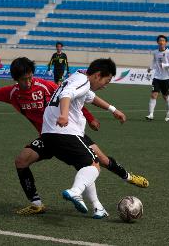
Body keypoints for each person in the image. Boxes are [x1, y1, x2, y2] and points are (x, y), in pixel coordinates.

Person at [0, 57, 148, 218]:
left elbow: (72, 98)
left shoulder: (45, 86)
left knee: (101, 160)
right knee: (21, 160)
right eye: (23, 79)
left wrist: (91, 117)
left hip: (68, 130)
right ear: (15, 79)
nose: (28, 82)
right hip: (48, 136)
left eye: (30, 77)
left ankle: (126, 178)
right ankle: (37, 204)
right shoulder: (12, 94)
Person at [40, 58, 126, 218]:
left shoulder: (78, 77)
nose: (105, 85)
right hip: (64, 132)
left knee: (86, 166)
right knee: (94, 166)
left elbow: (90, 97)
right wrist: (64, 115)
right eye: (106, 80)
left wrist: (113, 109)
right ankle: (75, 191)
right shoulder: (83, 81)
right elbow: (66, 94)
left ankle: (97, 207)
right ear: (98, 75)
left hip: (50, 133)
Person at [145, 35, 169, 122]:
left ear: (165, 42)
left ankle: (168, 112)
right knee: (153, 95)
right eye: (160, 40)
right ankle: (151, 114)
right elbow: (154, 61)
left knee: (165, 96)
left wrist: (165, 65)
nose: (161, 42)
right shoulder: (155, 52)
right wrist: (150, 67)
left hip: (166, 78)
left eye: (163, 40)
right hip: (157, 77)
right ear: (157, 42)